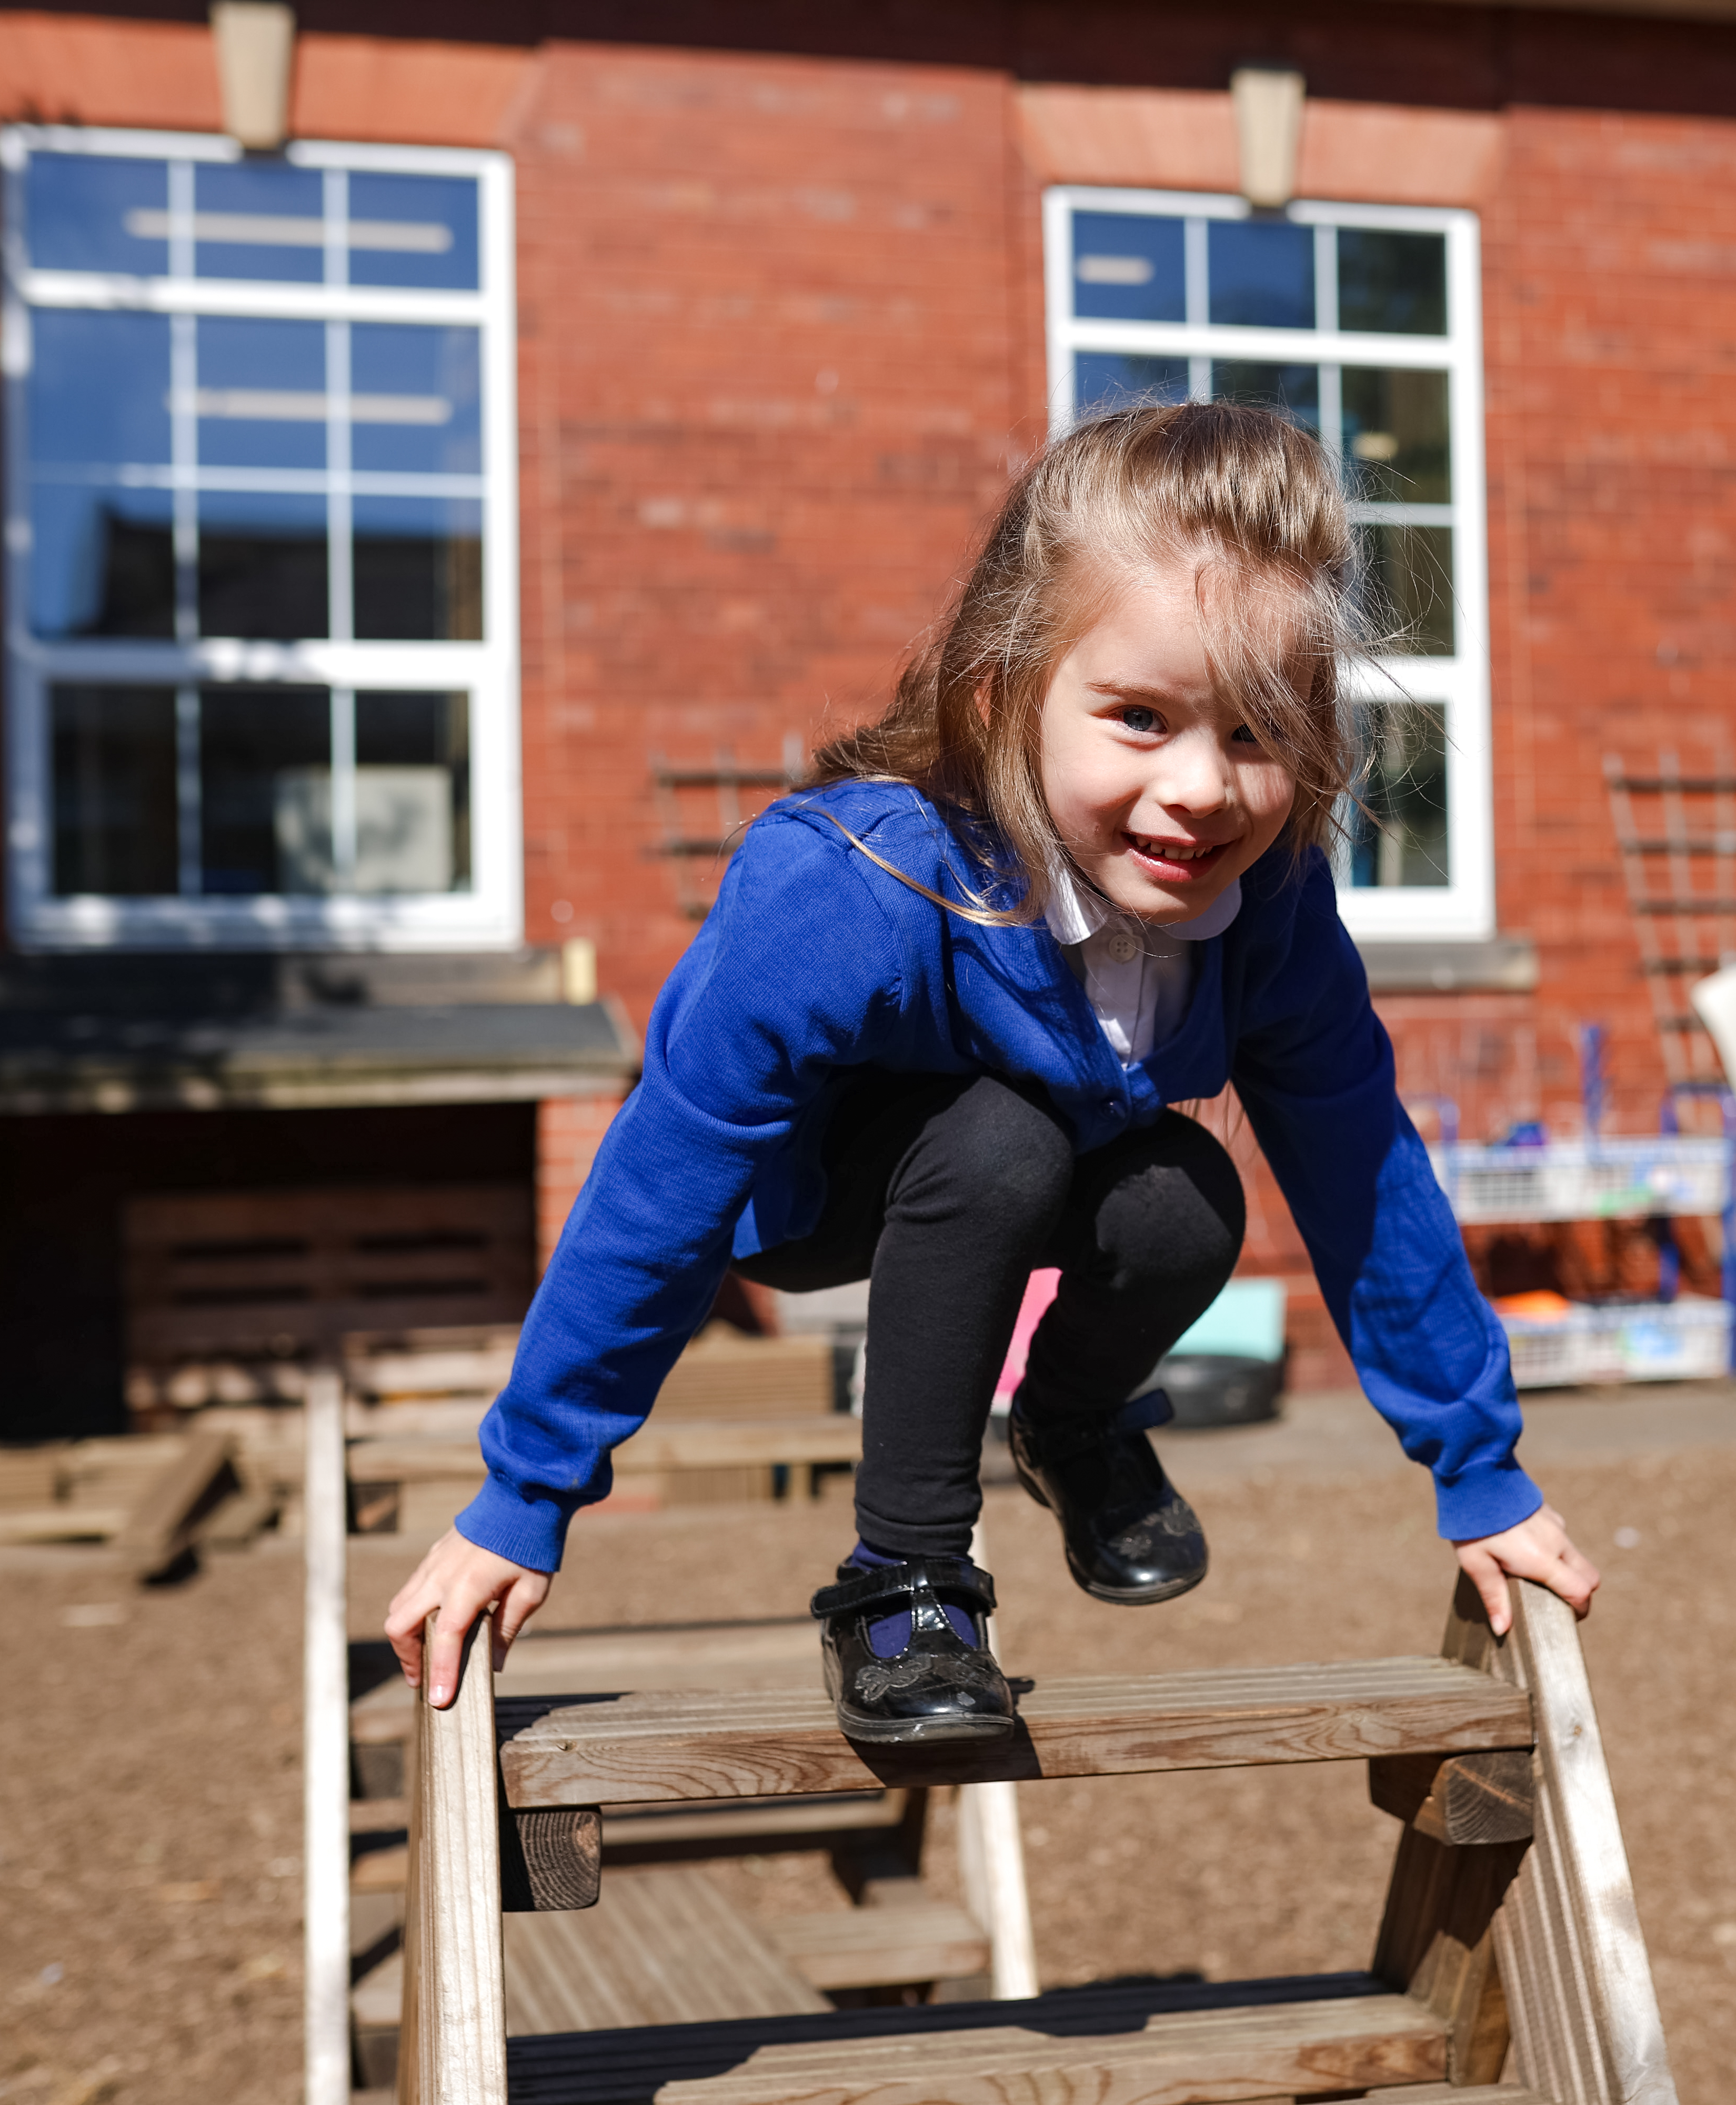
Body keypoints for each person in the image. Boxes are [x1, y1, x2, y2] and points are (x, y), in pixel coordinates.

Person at [385, 402, 1599, 1739]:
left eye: (1258, 730)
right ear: (1004, 700)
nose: (1203, 786)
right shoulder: (854, 885)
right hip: (814, 1200)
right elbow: (660, 1182)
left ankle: (1072, 1423)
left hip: (1047, 1167)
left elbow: (1362, 1166)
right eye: (1140, 717)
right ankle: (901, 1586)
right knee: (998, 1140)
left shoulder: (1270, 909)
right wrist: (525, 1494)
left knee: (1186, 1194)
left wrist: (1481, 1470)